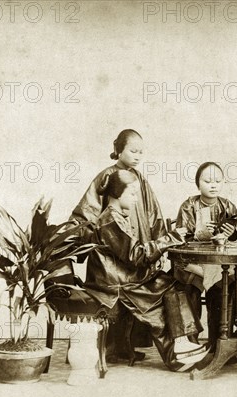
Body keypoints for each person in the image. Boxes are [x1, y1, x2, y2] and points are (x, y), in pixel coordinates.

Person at [84, 169, 208, 371]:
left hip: (124, 276)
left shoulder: (117, 216)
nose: (136, 199)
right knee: (157, 302)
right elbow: (137, 256)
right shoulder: (110, 220)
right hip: (115, 283)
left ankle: (182, 345)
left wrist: (168, 238)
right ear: (116, 194)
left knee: (173, 285)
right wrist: (171, 238)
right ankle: (176, 356)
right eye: (132, 194)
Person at [70, 129, 167, 359]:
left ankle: (125, 346)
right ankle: (109, 347)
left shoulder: (140, 179)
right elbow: (86, 215)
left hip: (136, 252)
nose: (137, 156)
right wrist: (97, 237)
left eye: (141, 152)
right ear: (118, 150)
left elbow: (154, 214)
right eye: (133, 151)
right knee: (124, 290)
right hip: (111, 258)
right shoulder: (106, 176)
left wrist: (158, 242)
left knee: (140, 288)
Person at [174, 162, 237, 349]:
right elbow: (180, 239)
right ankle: (191, 344)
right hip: (193, 264)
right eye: (207, 181)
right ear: (198, 184)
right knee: (188, 290)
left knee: (224, 287)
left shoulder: (228, 206)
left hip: (220, 263)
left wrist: (231, 233)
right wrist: (199, 234)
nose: (213, 185)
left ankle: (220, 344)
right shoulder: (188, 206)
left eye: (217, 181)